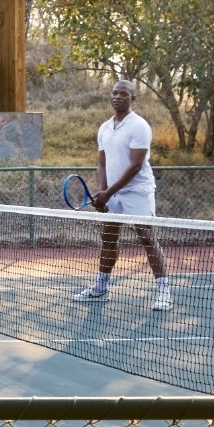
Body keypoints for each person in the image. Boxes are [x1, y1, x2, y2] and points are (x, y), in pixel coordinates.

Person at [71, 79, 171, 311]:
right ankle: (100, 287)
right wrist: (102, 192)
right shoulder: (104, 127)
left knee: (147, 238)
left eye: (123, 94)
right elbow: (102, 163)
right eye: (114, 93)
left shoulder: (139, 126)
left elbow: (135, 166)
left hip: (138, 191)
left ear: (132, 98)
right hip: (112, 194)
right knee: (108, 238)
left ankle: (165, 291)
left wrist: (109, 193)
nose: (117, 97)